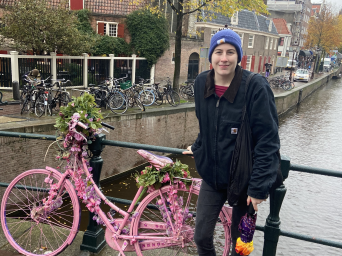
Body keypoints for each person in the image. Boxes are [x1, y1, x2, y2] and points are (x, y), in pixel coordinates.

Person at [183, 28, 280, 256]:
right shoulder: (200, 84)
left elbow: (268, 141)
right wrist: (199, 147)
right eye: (218, 52)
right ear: (211, 56)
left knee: (240, 246)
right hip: (213, 176)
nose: (224, 58)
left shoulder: (255, 87)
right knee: (201, 236)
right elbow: (206, 124)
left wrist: (257, 188)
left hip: (244, 179)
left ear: (239, 57)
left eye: (230, 52)